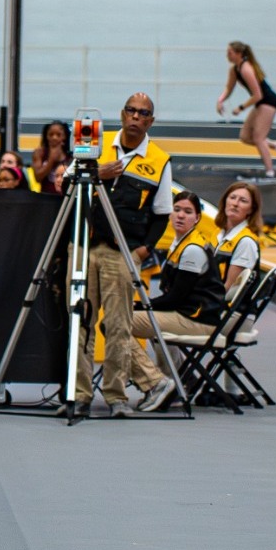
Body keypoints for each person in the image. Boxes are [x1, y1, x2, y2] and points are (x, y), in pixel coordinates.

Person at [59, 94, 177, 419]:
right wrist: (98, 172)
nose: (136, 117)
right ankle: (78, 394)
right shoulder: (96, 145)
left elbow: (162, 213)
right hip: (83, 245)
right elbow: (67, 183)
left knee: (119, 326)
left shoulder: (159, 160)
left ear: (150, 121)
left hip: (122, 252)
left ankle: (116, 396)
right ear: (122, 114)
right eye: (131, 111)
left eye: (143, 113)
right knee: (79, 322)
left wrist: (142, 250)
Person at [129, 192, 228, 343]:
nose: (180, 215)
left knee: (117, 323)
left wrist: (140, 305)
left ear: (197, 218)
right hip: (187, 313)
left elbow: (175, 298)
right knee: (130, 317)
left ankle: (146, 368)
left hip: (197, 319)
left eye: (188, 212)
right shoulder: (179, 243)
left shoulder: (192, 249)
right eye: (176, 209)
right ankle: (166, 367)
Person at [215, 42, 276, 176]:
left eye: (230, 52)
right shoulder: (234, 70)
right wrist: (220, 101)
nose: (227, 55)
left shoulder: (246, 69)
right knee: (245, 137)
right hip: (260, 102)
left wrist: (241, 108)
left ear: (238, 54)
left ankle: (270, 172)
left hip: (268, 101)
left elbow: (258, 94)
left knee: (259, 138)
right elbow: (229, 88)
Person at [213, 181, 266, 295]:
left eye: (243, 201)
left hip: (217, 305)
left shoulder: (246, 242)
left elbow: (229, 289)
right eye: (232, 197)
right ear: (225, 201)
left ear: (251, 209)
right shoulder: (218, 232)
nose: (235, 203)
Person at [31, 120, 70, 198]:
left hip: (65, 197)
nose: (54, 138)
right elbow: (38, 178)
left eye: (58, 135)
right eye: (51, 134)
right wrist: (51, 160)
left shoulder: (70, 156)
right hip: (45, 197)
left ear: (64, 136)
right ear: (46, 136)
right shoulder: (39, 153)